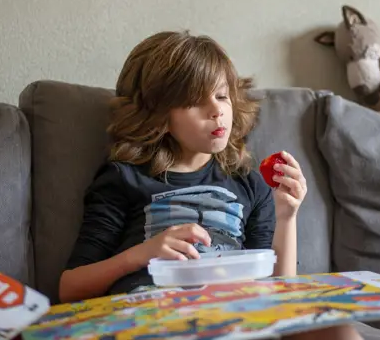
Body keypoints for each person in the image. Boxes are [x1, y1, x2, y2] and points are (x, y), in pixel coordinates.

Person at [59, 31, 362, 340]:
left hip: (234, 317)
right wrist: (141, 254)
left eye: (221, 95)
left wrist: (286, 215)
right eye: (194, 101)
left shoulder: (248, 185)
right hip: (155, 318)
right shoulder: (124, 179)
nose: (216, 110)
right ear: (158, 113)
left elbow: (278, 294)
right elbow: (69, 288)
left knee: (336, 328)